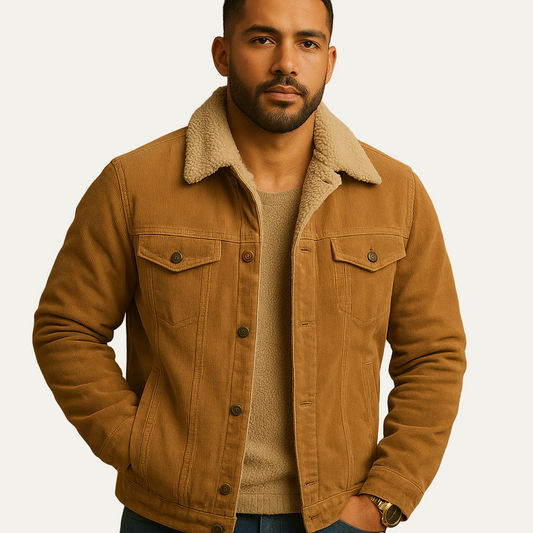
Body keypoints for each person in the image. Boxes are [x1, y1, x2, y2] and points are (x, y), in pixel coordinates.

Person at [33, 0, 466, 532]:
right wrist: (141, 447)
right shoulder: (133, 185)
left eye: (307, 43)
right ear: (222, 54)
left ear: (330, 61)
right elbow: (66, 329)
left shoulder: (396, 194)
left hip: (335, 518)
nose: (287, 63)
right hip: (170, 517)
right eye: (262, 39)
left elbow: (434, 354)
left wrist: (386, 496)